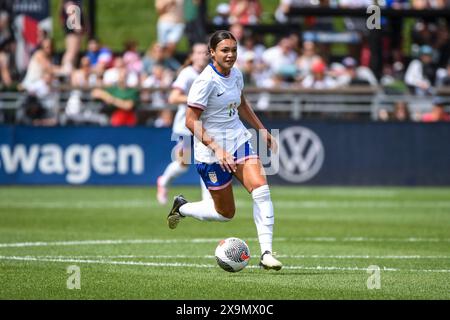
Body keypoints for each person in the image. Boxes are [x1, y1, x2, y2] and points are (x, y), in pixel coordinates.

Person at [166, 30, 282, 270]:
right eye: (225, 50)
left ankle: (267, 253)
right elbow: (190, 121)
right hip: (210, 152)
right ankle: (183, 207)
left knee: (261, 189)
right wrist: (218, 150)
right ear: (212, 53)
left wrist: (261, 130)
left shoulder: (237, 74)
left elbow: (241, 104)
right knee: (225, 213)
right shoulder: (205, 81)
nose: (230, 55)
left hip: (238, 140)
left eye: (234, 50)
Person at [156, 43, 211, 205]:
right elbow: (173, 97)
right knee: (183, 163)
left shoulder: (210, 73)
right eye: (198, 52)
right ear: (192, 56)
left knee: (207, 160)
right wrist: (196, 101)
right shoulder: (187, 74)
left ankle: (207, 200)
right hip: (185, 125)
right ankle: (164, 181)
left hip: (203, 126)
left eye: (204, 52)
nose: (202, 55)